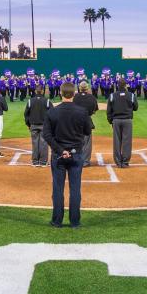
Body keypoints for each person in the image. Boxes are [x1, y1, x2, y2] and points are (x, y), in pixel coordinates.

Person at [42, 82, 91, 228]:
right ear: (74, 94)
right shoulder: (82, 112)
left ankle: (57, 221)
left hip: (58, 156)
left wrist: (60, 150)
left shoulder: (52, 112)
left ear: (61, 93)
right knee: (75, 189)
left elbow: (46, 135)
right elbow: (88, 131)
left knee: (57, 189)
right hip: (76, 155)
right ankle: (75, 222)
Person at [106, 78, 138, 168]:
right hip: (127, 121)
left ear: (117, 85)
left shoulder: (112, 95)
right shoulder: (131, 95)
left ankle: (118, 161)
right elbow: (136, 107)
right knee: (127, 141)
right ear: (125, 85)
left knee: (117, 141)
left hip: (116, 121)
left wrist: (110, 121)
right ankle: (125, 162)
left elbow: (109, 111)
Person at [24, 84, 51, 167]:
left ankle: (35, 161)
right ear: (43, 91)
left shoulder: (30, 101)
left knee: (35, 143)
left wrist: (28, 124)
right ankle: (43, 162)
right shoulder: (47, 101)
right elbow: (52, 113)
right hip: (44, 126)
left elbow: (26, 114)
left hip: (33, 125)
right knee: (44, 143)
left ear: (35, 91)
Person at [75, 81, 99, 166]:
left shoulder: (75, 97)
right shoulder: (92, 97)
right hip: (87, 120)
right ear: (87, 88)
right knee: (87, 142)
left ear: (79, 88)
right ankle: (85, 161)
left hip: (76, 121)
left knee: (76, 140)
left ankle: (76, 160)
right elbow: (95, 109)